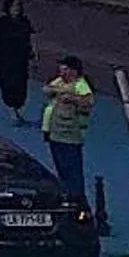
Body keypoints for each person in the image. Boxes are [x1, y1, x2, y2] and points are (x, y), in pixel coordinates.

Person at [41, 53, 97, 200]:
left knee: (72, 169)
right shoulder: (60, 82)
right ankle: (66, 194)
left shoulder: (80, 85)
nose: (61, 71)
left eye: (64, 69)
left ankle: (77, 199)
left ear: (73, 71)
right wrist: (59, 90)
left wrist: (71, 98)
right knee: (61, 168)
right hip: (55, 133)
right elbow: (47, 89)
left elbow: (88, 101)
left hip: (70, 135)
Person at [0, 0, 35, 125]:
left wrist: (33, 53)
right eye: (13, 6)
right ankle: (12, 112)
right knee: (7, 84)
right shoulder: (1, 22)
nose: (16, 9)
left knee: (21, 84)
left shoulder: (25, 21)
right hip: (3, 58)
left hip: (20, 59)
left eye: (18, 6)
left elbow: (31, 39)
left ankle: (17, 108)